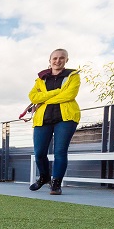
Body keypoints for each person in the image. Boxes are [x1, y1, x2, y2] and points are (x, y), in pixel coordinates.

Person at [28, 48, 81, 195]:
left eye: (61, 58)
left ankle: (56, 183)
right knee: (39, 152)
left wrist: (44, 99)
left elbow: (69, 95)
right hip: (43, 119)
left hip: (66, 118)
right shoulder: (41, 78)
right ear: (50, 61)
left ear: (66, 60)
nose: (58, 61)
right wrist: (58, 91)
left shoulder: (73, 76)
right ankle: (44, 177)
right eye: (55, 58)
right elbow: (33, 97)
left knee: (60, 152)